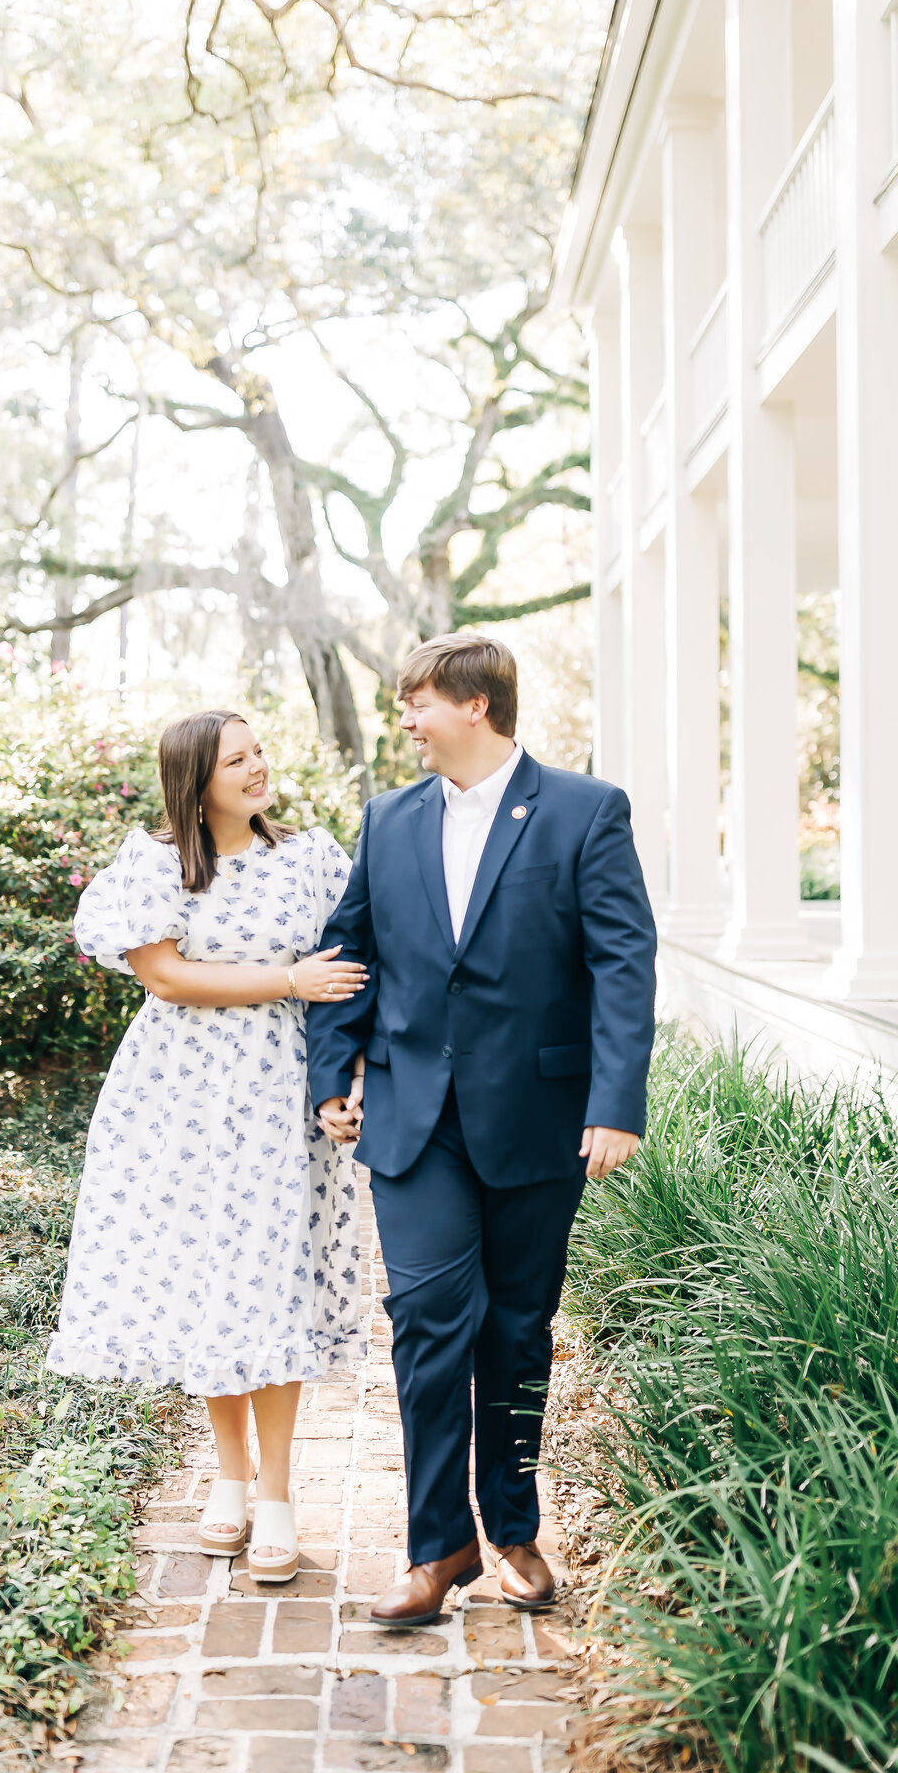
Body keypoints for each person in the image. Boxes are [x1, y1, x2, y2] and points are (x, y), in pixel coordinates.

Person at [308, 633, 656, 1623]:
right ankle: (438, 1546)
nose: (405, 722)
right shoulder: (387, 821)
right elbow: (350, 951)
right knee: (425, 1324)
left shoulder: (586, 813)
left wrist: (614, 1101)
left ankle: (510, 1529)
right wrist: (335, 1069)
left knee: (514, 1331)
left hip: (540, 1117)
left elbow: (623, 965)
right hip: (416, 1122)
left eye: (416, 703)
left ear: (475, 706)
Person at [46, 709, 366, 1583]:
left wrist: (352, 1071)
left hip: (282, 1092)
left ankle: (278, 1495)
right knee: (210, 1276)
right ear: (197, 777)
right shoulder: (154, 863)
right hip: (178, 1096)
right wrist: (287, 979)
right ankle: (227, 1478)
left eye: (260, 751)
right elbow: (165, 975)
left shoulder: (312, 855)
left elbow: (356, 962)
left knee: (273, 1277)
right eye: (238, 759)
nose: (259, 768)